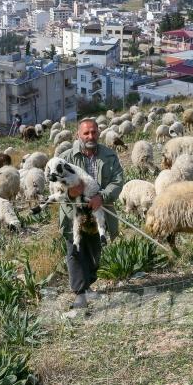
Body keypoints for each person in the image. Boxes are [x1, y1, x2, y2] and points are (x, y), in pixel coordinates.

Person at [58, 118, 125, 309]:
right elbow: (54, 185)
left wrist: (101, 197)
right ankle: (80, 293)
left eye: (94, 132)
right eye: (86, 133)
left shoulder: (109, 156)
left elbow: (117, 181)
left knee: (95, 252)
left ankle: (88, 284)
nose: (90, 136)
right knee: (75, 249)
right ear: (78, 134)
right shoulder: (66, 158)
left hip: (99, 212)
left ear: (99, 133)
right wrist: (70, 192)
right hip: (74, 212)